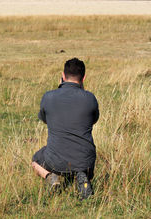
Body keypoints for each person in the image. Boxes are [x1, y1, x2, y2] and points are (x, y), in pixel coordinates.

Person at [32, 58, 99, 199]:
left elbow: (45, 120)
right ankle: (82, 175)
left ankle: (51, 176)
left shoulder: (48, 96)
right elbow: (92, 121)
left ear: (63, 76)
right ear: (84, 77)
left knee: (35, 160)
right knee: (81, 163)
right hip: (85, 160)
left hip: (54, 159)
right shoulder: (90, 98)